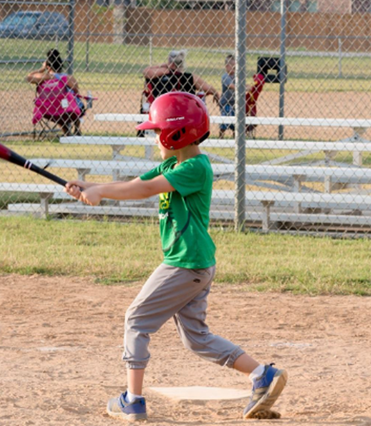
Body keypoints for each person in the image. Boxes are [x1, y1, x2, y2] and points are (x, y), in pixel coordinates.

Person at [64, 92, 288, 422]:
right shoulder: (176, 162)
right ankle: (262, 376)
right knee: (197, 339)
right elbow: (135, 183)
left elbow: (145, 190)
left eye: (158, 131)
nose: (156, 138)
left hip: (184, 263)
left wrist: (99, 192)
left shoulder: (195, 168)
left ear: (176, 134)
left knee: (136, 320)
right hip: (194, 263)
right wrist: (92, 186)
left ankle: (133, 400)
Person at [26, 48, 83, 136]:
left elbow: (28, 77)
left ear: (48, 67)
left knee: (58, 110)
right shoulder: (67, 77)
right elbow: (76, 91)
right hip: (68, 109)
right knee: (73, 102)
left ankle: (67, 132)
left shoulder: (44, 77)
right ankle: (77, 128)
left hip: (49, 109)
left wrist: (41, 69)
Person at [142, 50, 219, 108]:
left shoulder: (157, 75)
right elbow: (208, 88)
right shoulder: (188, 77)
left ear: (170, 62)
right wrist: (215, 93)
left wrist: (164, 66)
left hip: (159, 112)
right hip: (183, 115)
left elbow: (146, 71)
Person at [219, 54, 237, 138]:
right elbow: (231, 86)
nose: (235, 69)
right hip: (225, 102)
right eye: (233, 67)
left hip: (234, 102)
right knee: (224, 120)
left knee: (235, 122)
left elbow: (242, 84)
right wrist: (242, 88)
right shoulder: (225, 77)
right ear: (227, 66)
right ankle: (221, 135)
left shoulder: (236, 76)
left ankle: (236, 138)